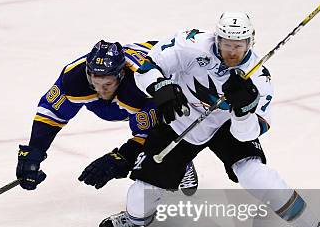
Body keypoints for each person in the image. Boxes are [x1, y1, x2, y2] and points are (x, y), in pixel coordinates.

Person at [99, 12, 320, 227]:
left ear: (250, 42)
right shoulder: (190, 44)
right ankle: (137, 218)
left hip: (226, 126)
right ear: (217, 39)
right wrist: (160, 86)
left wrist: (243, 111)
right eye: (227, 44)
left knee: (256, 176)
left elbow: (246, 135)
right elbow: (146, 68)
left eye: (238, 46)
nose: (232, 52)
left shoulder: (258, 79)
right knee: (139, 198)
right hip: (181, 116)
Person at [16, 40, 199, 193]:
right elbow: (51, 113)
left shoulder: (140, 85)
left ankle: (182, 160)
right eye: (95, 83)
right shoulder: (75, 78)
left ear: (120, 75)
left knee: (166, 137)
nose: (100, 91)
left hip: (175, 83)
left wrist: (121, 158)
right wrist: (34, 152)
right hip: (128, 94)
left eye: (107, 84)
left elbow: (151, 134)